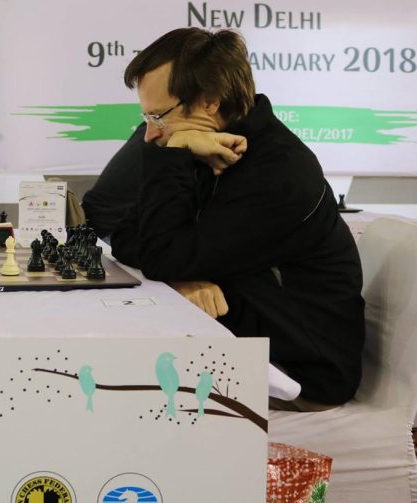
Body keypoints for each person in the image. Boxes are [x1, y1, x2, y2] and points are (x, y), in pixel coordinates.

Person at [107, 27, 364, 408]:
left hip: (295, 373)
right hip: (239, 341)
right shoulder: (207, 146)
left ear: (210, 102)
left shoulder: (279, 173)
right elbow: (127, 236)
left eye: (158, 116)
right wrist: (183, 275)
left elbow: (159, 253)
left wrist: (175, 149)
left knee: (111, 389)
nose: (149, 135)